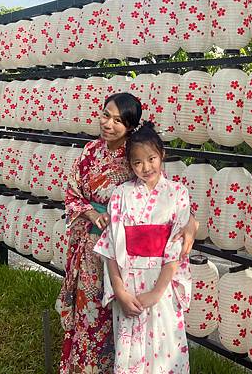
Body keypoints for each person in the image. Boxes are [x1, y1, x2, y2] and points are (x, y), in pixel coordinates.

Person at [56, 92, 198, 374]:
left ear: (131, 127)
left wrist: (191, 224)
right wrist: (93, 213)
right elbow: (72, 192)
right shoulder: (90, 152)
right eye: (106, 115)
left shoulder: (135, 153)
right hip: (94, 244)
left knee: (125, 323)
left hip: (130, 254)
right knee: (91, 313)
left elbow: (167, 203)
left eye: (118, 121)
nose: (109, 124)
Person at [94, 121, 191, 373]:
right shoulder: (121, 193)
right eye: (137, 163)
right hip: (128, 280)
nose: (146, 167)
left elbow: (175, 248)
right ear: (130, 165)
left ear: (162, 155)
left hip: (162, 281)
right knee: (130, 352)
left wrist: (157, 292)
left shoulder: (177, 192)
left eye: (151, 158)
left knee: (165, 347)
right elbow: (111, 246)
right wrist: (119, 290)